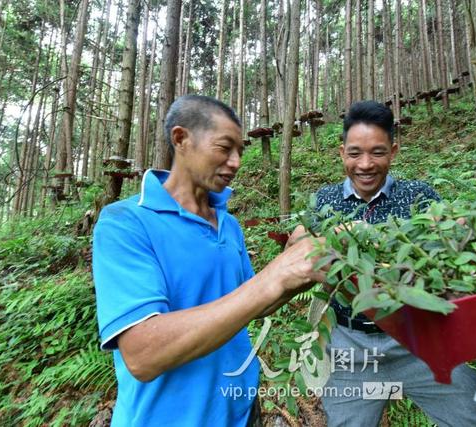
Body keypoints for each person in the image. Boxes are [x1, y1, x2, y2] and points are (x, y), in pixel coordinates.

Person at [92, 95, 325, 427]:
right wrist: (274, 276)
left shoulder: (227, 223)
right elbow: (142, 354)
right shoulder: (125, 223)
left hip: (241, 410)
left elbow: (252, 302)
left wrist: (297, 267)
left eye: (240, 152)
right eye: (224, 148)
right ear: (181, 139)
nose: (235, 162)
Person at [296, 100, 476, 426]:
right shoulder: (324, 201)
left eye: (377, 152)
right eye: (355, 153)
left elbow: (451, 244)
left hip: (417, 342)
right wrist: (323, 244)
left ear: (394, 151)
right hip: (352, 351)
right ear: (342, 153)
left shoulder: (418, 197)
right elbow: (297, 246)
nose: (365, 164)